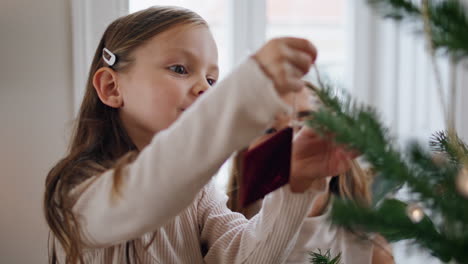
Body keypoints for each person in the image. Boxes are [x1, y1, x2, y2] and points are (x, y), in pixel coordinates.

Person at [43, 6, 357, 264]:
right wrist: (245, 91)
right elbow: (147, 191)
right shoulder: (77, 191)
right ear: (112, 88)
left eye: (212, 79)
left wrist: (295, 186)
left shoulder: (198, 192)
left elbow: (243, 257)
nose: (204, 88)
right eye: (180, 69)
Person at [226, 87, 395, 264]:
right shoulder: (221, 236)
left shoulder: (372, 251)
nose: (294, 142)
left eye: (307, 126)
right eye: (269, 130)